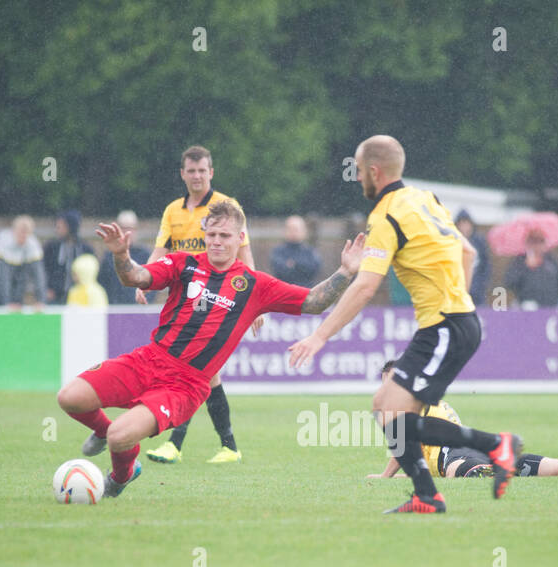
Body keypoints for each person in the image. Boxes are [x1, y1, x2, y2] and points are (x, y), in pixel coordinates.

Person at [56, 200, 365, 498]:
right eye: (212, 235)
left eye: (225, 236)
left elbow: (313, 302)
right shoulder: (183, 263)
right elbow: (135, 277)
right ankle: (102, 430)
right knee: (70, 398)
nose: (217, 242)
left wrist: (347, 271)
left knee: (120, 436)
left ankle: (121, 476)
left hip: (184, 385)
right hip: (149, 359)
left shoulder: (255, 285)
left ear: (240, 238)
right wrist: (121, 254)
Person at [288, 134, 523, 515]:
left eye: (361, 171)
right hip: (451, 322)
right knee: (389, 410)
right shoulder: (423, 199)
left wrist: (319, 335)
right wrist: (457, 298)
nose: (359, 177)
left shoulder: (385, 215)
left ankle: (496, 446)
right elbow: (468, 250)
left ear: (374, 172)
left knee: (392, 412)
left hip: (445, 326)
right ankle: (427, 495)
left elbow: (365, 285)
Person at [144, 146, 257, 465]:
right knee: (207, 373)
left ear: (211, 172)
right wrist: (145, 280)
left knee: (193, 367)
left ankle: (175, 443)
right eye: (191, 171)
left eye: (202, 170)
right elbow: (160, 251)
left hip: (216, 298)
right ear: (183, 174)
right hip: (182, 302)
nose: (197, 176)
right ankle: (229, 446)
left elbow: (244, 251)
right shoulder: (172, 211)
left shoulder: (227, 207)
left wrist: (253, 298)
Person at [368, 360, 558, 479]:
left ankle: (486, 471)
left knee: (470, 475)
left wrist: (384, 478)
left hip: (458, 457)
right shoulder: (432, 400)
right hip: (478, 448)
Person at [97, 210, 153, 306]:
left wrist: (144, 301)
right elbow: (102, 283)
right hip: (114, 309)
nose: (127, 232)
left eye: (130, 228)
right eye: (123, 228)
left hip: (139, 310)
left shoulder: (145, 255)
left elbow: (153, 283)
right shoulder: (109, 256)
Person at [503, 229, 558, 307]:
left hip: (551, 305)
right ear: (527, 244)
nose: (537, 246)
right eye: (533, 243)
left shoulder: (552, 259)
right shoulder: (519, 261)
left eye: (540, 242)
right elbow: (509, 282)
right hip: (526, 305)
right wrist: (525, 267)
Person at [0, 215, 47, 310]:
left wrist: (41, 301)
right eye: (21, 232)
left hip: (20, 277)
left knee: (22, 279)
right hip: (4, 277)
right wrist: (6, 303)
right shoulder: (4, 239)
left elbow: (38, 275)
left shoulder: (32, 243)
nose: (23, 236)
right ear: (14, 230)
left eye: (27, 233)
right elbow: (3, 278)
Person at [43, 210, 93, 304]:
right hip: (55, 298)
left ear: (71, 227)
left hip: (80, 298)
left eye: (61, 226)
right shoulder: (52, 248)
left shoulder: (85, 249)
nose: (58, 230)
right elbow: (44, 270)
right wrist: (46, 288)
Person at [270, 215, 321, 286]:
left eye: (296, 229)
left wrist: (293, 264)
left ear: (304, 231)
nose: (293, 232)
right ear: (284, 231)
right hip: (284, 292)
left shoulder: (310, 252)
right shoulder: (278, 252)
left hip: (306, 292)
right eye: (290, 229)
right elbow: (280, 270)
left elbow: (313, 270)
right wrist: (301, 267)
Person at [454, 210, 491, 303]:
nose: (464, 227)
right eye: (461, 224)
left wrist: (481, 284)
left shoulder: (479, 242)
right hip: (457, 289)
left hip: (476, 290)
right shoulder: (452, 241)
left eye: (466, 224)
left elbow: (485, 265)